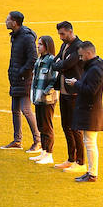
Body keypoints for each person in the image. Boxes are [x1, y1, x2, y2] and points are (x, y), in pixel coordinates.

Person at [67, 40, 103, 182]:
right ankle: (91, 172)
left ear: (89, 53)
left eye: (82, 56)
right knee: (89, 142)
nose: (81, 59)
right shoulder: (95, 67)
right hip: (90, 110)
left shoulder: (95, 69)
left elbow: (91, 91)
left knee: (90, 143)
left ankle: (92, 174)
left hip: (91, 111)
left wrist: (76, 84)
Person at [2, 11, 38, 152]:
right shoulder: (16, 36)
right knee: (15, 110)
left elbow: (33, 59)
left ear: (15, 22)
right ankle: (17, 140)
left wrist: (22, 72)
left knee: (26, 110)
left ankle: (38, 140)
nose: (5, 21)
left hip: (24, 79)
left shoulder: (26, 38)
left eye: (8, 19)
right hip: (16, 78)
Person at [53, 21, 86, 173]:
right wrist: (59, 63)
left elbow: (65, 65)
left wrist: (60, 63)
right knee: (66, 126)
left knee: (75, 128)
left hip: (74, 93)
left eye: (63, 34)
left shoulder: (79, 47)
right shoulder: (64, 45)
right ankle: (70, 158)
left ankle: (80, 162)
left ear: (71, 31)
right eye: (59, 34)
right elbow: (56, 61)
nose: (60, 37)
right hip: (64, 91)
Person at [29, 36, 59, 166]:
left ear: (47, 45)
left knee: (47, 126)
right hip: (38, 98)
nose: (38, 46)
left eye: (40, 44)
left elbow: (55, 79)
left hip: (47, 99)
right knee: (41, 125)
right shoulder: (39, 59)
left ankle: (49, 154)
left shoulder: (52, 60)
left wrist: (46, 91)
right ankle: (43, 151)